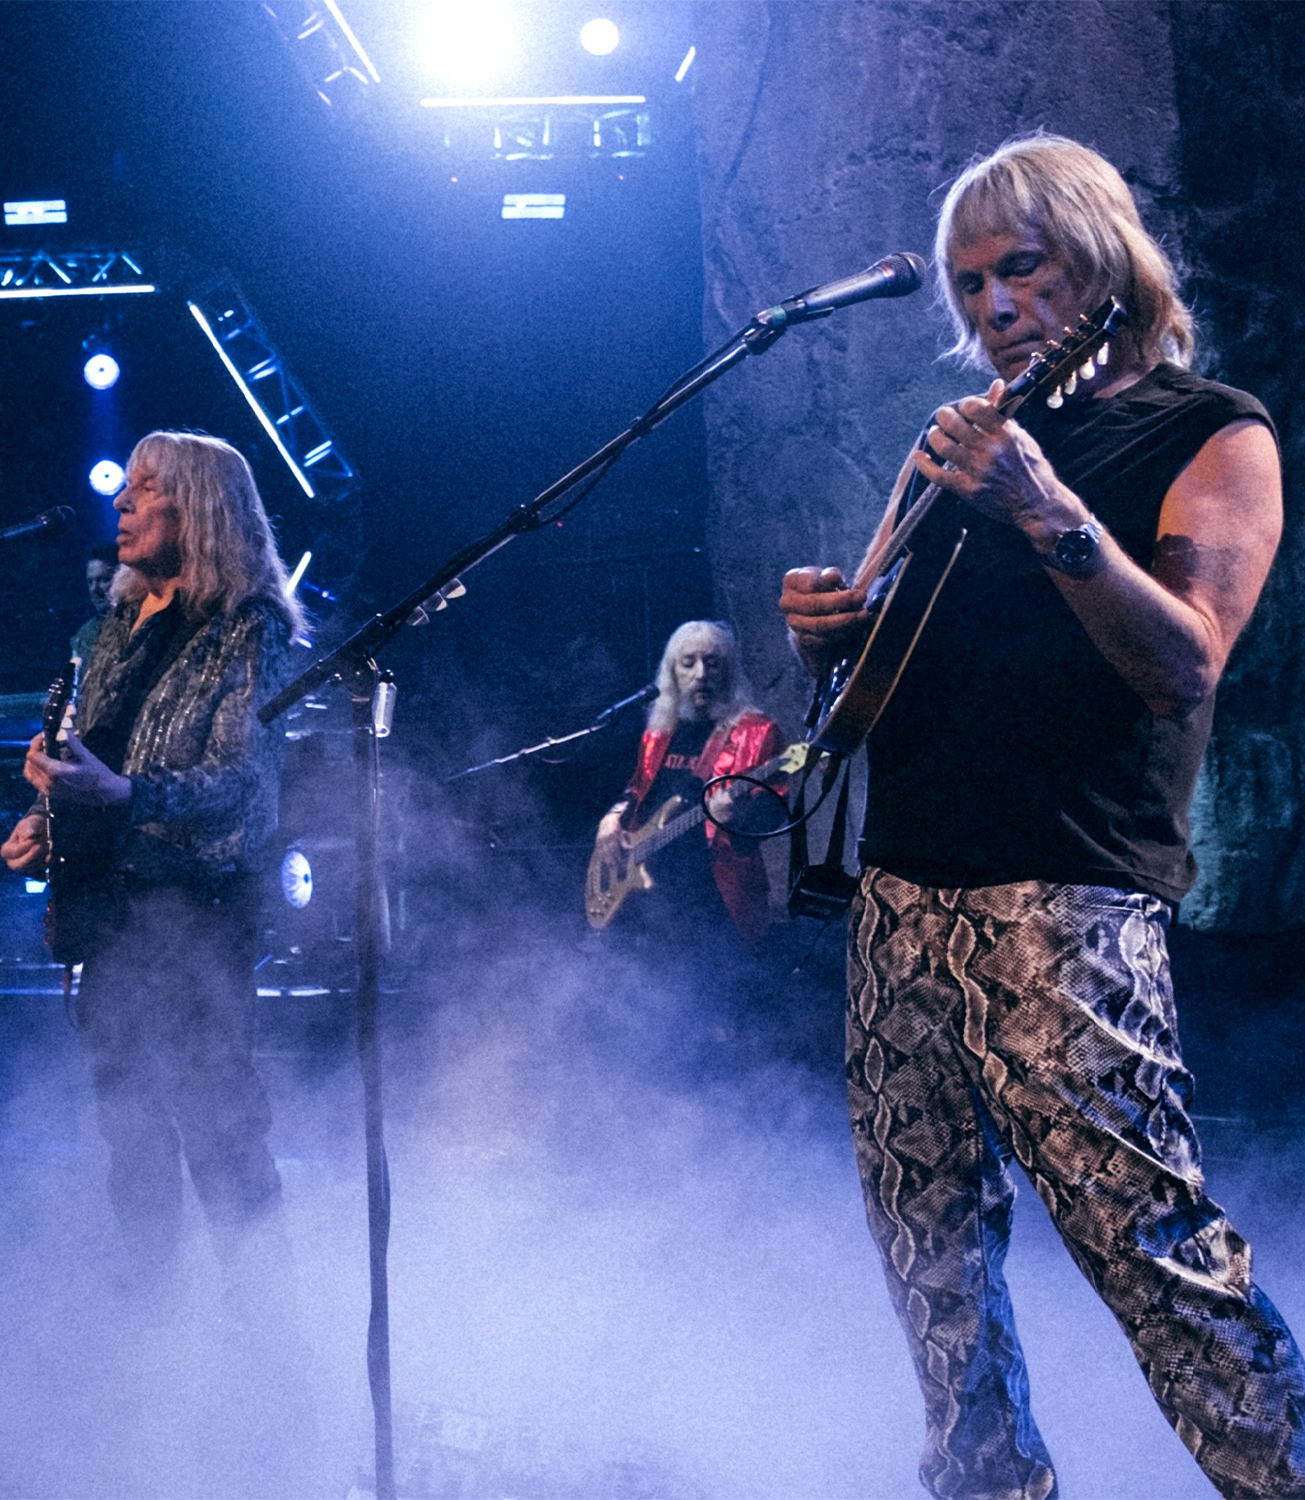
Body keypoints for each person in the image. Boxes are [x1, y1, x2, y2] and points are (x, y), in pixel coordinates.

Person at [779, 134, 1304, 1500]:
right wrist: (829, 634)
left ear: (1102, 259)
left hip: (1062, 892)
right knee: (926, 1239)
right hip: (904, 880)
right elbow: (890, 662)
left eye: (1024, 268)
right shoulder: (954, 445)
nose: (996, 305)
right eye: (971, 286)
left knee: (1147, 1241)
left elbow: (1186, 661)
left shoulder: (1212, 429)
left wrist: (1052, 511)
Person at [1, 431, 304, 1285]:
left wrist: (125, 796)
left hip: (195, 915)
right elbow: (88, 751)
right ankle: (152, 1337)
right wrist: (44, 817)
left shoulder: (247, 626)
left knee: (219, 1131)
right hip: (109, 913)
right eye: (124, 487)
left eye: (145, 488)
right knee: (129, 1135)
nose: (122, 503)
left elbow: (240, 784)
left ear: (200, 508)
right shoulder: (112, 629)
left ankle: (271, 1352)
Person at [592, 620, 781, 948]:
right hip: (648, 898)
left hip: (717, 899)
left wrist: (735, 819)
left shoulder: (756, 732)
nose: (701, 674)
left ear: (728, 672)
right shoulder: (659, 730)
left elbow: (774, 813)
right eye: (688, 662)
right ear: (672, 673)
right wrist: (613, 816)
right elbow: (637, 788)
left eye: (712, 663)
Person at [69, 539, 121, 665]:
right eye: (90, 582)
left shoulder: (143, 622)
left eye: (103, 580)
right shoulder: (84, 635)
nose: (94, 589)